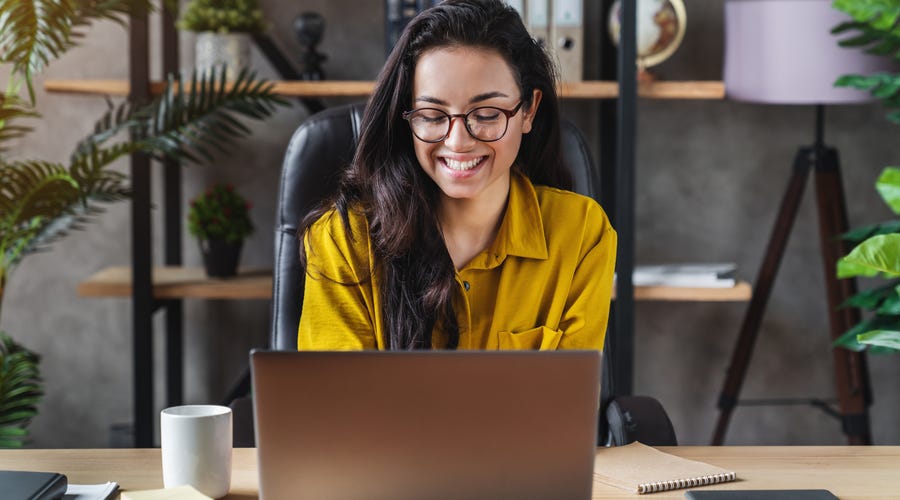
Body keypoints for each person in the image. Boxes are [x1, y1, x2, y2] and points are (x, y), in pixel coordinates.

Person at [298, 0, 616, 351]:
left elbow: (569, 399)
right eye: (433, 116)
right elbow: (337, 402)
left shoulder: (582, 232)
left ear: (529, 110)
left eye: (487, 113)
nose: (458, 142)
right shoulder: (344, 240)